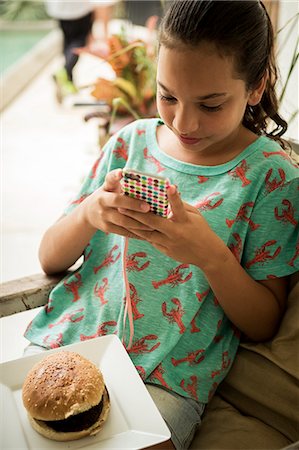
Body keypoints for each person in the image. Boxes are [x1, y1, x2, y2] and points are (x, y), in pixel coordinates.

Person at [24, 1, 299, 449]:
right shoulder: (130, 143)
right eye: (168, 95)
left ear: (255, 87)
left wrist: (210, 254)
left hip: (167, 380)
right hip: (65, 350)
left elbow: (264, 323)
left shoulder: (271, 178)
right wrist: (90, 212)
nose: (184, 122)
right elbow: (49, 256)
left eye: (211, 105)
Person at [45, 0, 117, 102]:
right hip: (80, 10)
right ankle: (64, 71)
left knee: (68, 42)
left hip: (60, 10)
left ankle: (69, 80)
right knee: (79, 43)